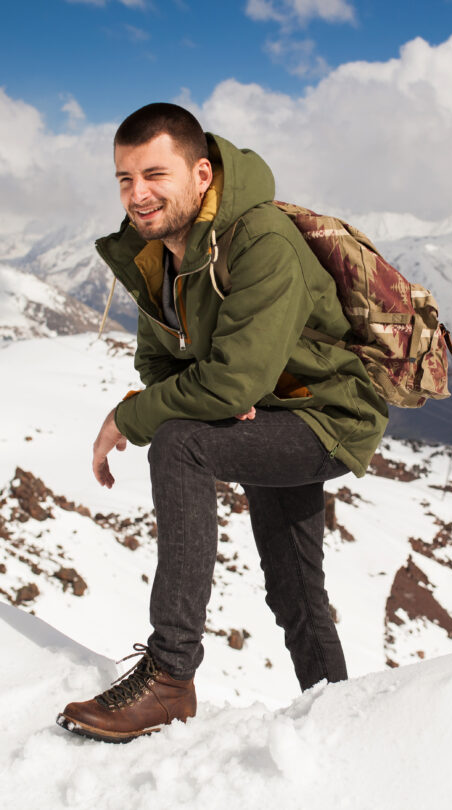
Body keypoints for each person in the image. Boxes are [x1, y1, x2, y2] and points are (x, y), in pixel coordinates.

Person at [56, 103, 388, 743]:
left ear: (202, 174)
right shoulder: (154, 251)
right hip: (268, 413)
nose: (138, 194)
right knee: (294, 589)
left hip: (325, 417)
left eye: (155, 174)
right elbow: (158, 360)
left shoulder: (261, 241)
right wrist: (209, 392)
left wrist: (135, 414)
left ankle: (170, 677)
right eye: (125, 179)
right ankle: (342, 731)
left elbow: (232, 382)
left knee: (180, 443)